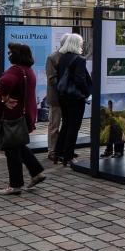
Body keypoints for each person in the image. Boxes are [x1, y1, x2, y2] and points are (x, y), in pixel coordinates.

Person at [0, 43, 46, 195]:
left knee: (11, 149)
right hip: (24, 114)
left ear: (17, 54)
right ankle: (37, 172)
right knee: (18, 145)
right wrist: (2, 94)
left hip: (13, 116)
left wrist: (1, 96)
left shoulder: (16, 70)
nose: (8, 55)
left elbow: (5, 83)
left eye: (10, 52)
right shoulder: (28, 70)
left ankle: (15, 185)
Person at [56, 33, 92, 164]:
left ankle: (58, 152)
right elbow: (80, 79)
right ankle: (68, 156)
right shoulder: (79, 60)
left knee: (65, 125)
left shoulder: (63, 58)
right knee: (74, 127)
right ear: (77, 44)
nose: (82, 45)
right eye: (81, 43)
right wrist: (87, 92)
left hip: (63, 96)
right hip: (75, 98)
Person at [44, 34, 70, 162]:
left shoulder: (70, 57)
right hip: (56, 97)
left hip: (68, 97)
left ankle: (63, 150)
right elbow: (51, 78)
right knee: (54, 125)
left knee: (66, 125)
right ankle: (52, 150)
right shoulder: (52, 57)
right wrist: (68, 86)